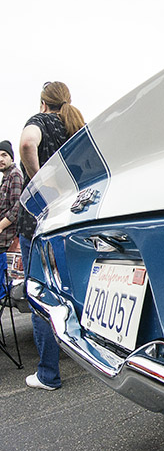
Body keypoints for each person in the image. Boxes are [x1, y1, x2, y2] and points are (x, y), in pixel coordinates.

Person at [18, 82, 85, 390]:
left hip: (38, 224)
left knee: (40, 295)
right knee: (69, 291)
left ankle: (48, 373)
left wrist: (39, 186)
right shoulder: (76, 126)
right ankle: (88, 356)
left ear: (43, 103)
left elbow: (28, 145)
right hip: (69, 222)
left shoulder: (41, 121)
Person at [0, 140, 24, 253]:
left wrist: (1, 226)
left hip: (9, 243)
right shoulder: (5, 179)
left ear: (12, 158)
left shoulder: (15, 174)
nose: (0, 159)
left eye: (4, 155)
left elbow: (18, 206)